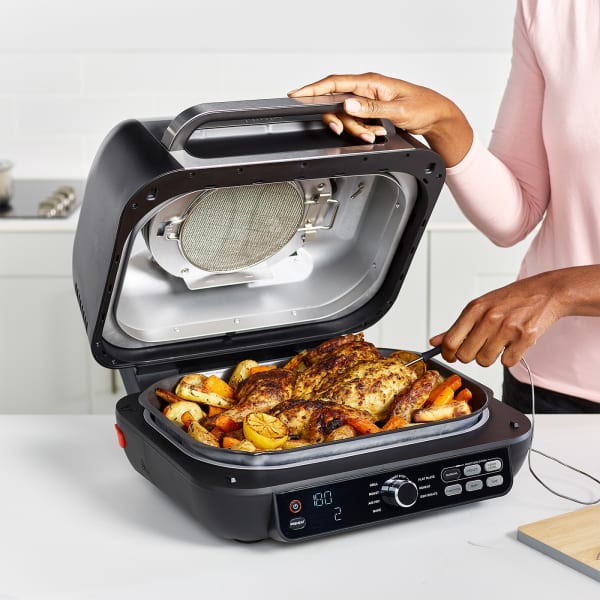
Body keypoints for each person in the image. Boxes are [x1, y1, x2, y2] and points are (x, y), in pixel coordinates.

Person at [288, 0, 600, 413]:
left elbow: (558, 288)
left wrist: (562, 291)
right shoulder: (553, 9)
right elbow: (514, 216)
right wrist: (444, 123)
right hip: (546, 376)